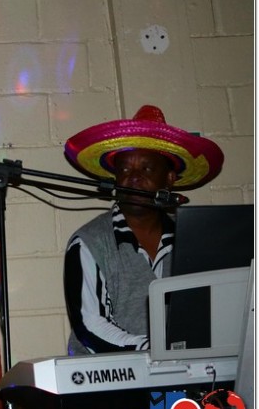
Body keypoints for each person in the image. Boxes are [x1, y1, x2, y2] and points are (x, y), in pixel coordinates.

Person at [61, 104, 224, 355]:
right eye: (125, 169)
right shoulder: (89, 241)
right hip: (115, 377)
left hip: (185, 371)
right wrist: (157, 350)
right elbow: (90, 326)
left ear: (169, 178)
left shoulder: (191, 240)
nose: (134, 177)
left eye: (146, 168)